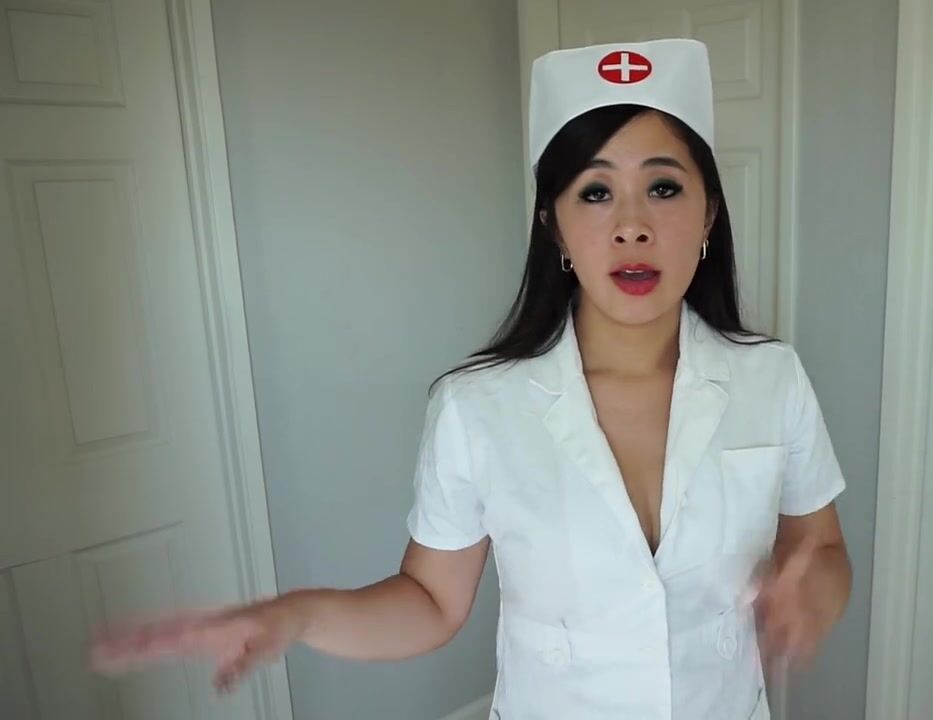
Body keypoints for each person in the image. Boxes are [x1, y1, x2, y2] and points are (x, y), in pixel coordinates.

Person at [90, 38, 851, 719]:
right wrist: (297, 616)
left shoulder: (771, 377)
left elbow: (822, 545)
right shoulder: (478, 406)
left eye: (664, 187)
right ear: (553, 227)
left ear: (709, 213)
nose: (631, 225)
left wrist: (815, 588)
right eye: (594, 192)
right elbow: (430, 600)